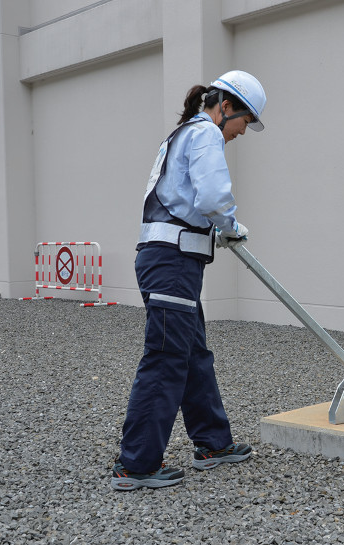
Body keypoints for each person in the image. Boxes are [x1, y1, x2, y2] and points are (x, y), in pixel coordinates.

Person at [111, 70, 267, 491]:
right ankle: (137, 465)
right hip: (172, 262)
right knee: (165, 357)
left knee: (193, 353)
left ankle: (213, 444)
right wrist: (230, 225)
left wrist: (217, 228)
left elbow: (185, 201)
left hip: (173, 260)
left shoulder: (184, 134)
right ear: (226, 107)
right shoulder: (205, 135)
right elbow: (213, 197)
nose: (243, 132)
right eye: (245, 121)